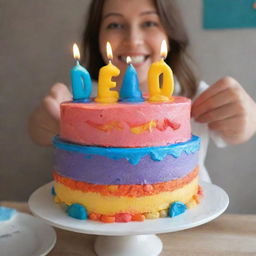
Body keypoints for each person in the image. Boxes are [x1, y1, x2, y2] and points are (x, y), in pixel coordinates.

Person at [28, 0, 256, 182]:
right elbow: (40, 131)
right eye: (115, 25)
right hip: (97, 220)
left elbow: (239, 131)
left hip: (187, 221)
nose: (133, 39)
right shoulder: (82, 103)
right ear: (97, 37)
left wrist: (247, 117)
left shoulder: (195, 96)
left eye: (149, 23)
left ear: (170, 33)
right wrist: (44, 123)